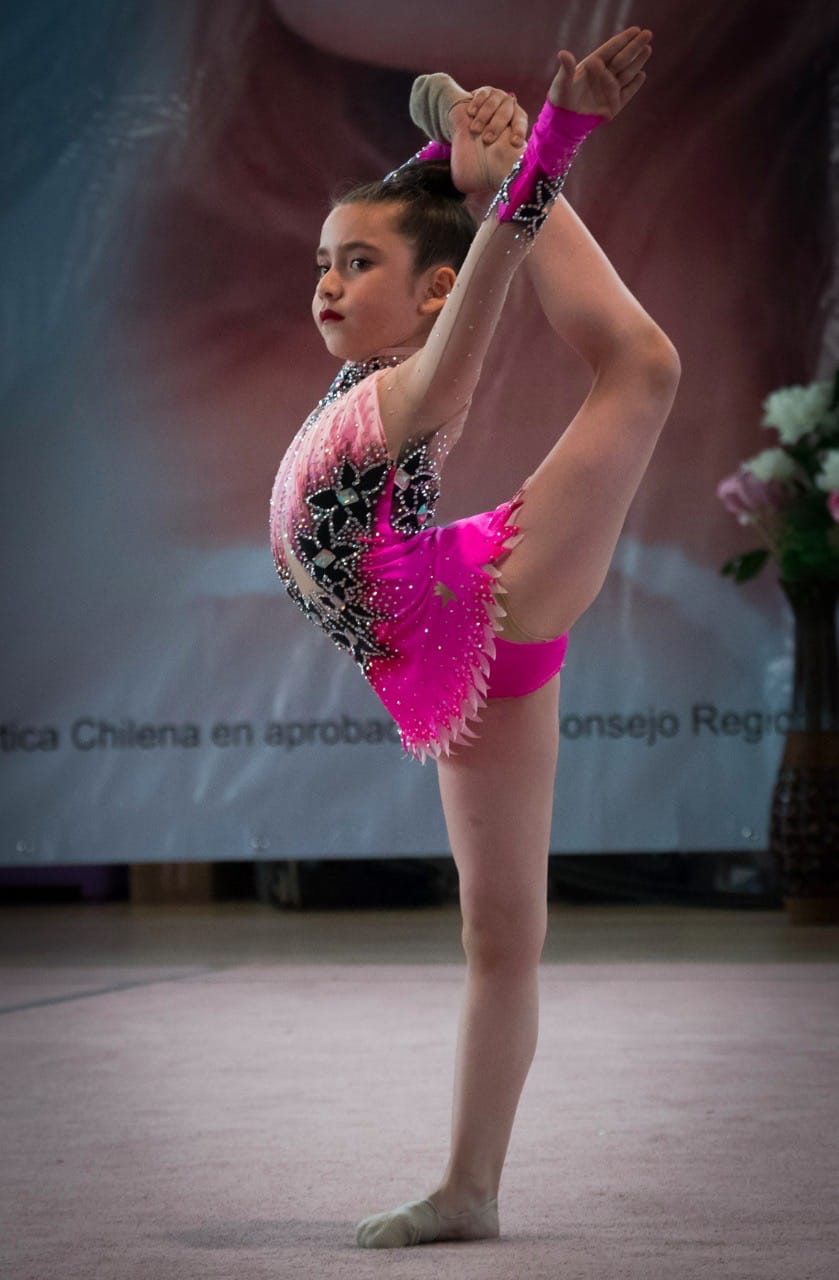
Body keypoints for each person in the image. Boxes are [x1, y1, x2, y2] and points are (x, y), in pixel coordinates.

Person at [269, 27, 680, 1247]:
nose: (327, 284)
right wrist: (445, 134)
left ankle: (465, 1184)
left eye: (356, 264)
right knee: (500, 933)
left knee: (640, 367)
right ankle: (469, 1189)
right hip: (449, 649)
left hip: (473, 605)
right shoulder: (361, 380)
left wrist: (545, 147)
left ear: (431, 295)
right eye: (322, 262)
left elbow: (483, 273)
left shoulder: (409, 389)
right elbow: (438, 224)